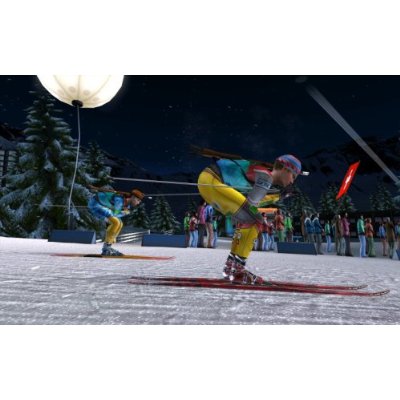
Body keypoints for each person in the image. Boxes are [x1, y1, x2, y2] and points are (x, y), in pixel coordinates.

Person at [197, 153, 304, 284]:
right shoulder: (266, 177)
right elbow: (252, 205)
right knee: (255, 220)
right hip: (213, 181)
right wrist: (261, 214)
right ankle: (238, 270)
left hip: (209, 180)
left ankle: (231, 266)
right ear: (285, 169)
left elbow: (251, 202)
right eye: (293, 176)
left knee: (246, 219)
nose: (292, 181)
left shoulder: (264, 176)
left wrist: (278, 196)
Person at [88, 187, 144, 256]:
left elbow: (118, 213)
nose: (138, 203)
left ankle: (108, 246)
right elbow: (115, 214)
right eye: (138, 200)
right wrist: (124, 213)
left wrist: (124, 212)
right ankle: (106, 247)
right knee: (116, 222)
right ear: (133, 197)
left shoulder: (127, 204)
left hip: (103, 205)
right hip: (96, 204)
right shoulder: (119, 200)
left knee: (120, 223)